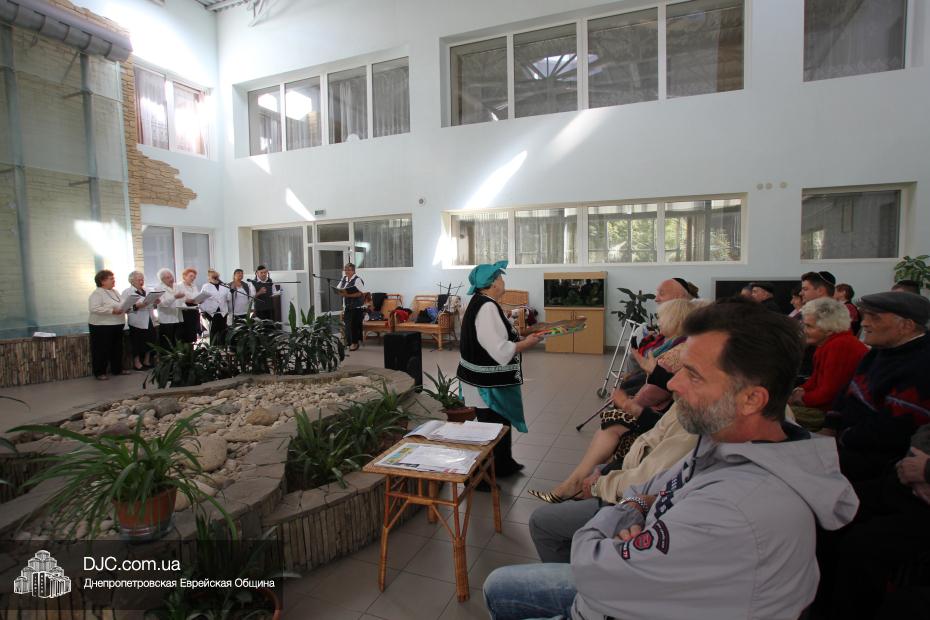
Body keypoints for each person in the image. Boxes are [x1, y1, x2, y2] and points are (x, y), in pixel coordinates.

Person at [483, 298, 858, 620]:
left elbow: (592, 562)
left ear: (751, 399)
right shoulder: (727, 441)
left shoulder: (736, 509)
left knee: (504, 585)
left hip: (620, 590)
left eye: (692, 375)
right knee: (500, 584)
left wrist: (625, 511)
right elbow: (654, 484)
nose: (673, 384)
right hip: (636, 576)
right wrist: (637, 506)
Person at [528, 299, 705, 503]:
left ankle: (579, 483)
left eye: (662, 317)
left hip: (655, 415)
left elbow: (653, 390)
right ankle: (584, 480)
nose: (658, 321)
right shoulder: (674, 344)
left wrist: (629, 403)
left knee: (613, 418)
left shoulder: (677, 351)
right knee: (613, 418)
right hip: (657, 413)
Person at [814, 425, 930, 619]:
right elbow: (924, 432)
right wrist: (915, 466)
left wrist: (926, 471)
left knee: (862, 545)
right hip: (908, 484)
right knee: (833, 508)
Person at [821, 291, 930, 482]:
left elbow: (892, 431)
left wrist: (842, 438)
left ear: (906, 325)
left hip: (876, 465)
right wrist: (830, 425)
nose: (864, 323)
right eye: (865, 316)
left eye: (874, 317)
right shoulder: (882, 350)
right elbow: (850, 387)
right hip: (847, 444)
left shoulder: (921, 365)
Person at [456, 260, 543, 483]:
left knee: (500, 421)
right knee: (491, 425)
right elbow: (498, 349)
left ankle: (503, 464)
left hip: (481, 377)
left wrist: (519, 330)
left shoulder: (483, 302)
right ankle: (481, 477)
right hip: (486, 382)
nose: (503, 282)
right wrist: (527, 343)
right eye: (500, 278)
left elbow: (498, 333)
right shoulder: (487, 307)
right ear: (493, 283)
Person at [788, 297, 868, 431]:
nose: (804, 330)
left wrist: (801, 398)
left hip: (831, 414)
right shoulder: (830, 343)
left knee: (771, 414)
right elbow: (816, 380)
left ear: (829, 329)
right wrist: (800, 390)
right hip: (825, 408)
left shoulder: (840, 346)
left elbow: (830, 393)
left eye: (809, 326)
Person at [88, 269, 129, 381]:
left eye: (113, 278)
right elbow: (94, 308)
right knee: (102, 349)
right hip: (102, 326)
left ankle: (117, 369)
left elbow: (122, 303)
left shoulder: (115, 291)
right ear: (102, 281)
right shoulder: (97, 293)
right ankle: (100, 372)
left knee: (117, 348)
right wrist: (112, 311)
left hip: (117, 324)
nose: (114, 280)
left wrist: (126, 308)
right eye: (111, 279)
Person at [122, 271, 159, 370]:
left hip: (149, 318)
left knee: (150, 340)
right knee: (137, 342)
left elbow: (152, 305)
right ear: (132, 281)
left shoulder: (147, 290)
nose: (141, 282)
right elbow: (125, 308)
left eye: (142, 279)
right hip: (136, 320)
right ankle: (137, 362)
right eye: (139, 280)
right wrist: (137, 306)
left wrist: (155, 302)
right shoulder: (127, 292)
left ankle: (147, 360)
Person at [336, 263, 366, 351]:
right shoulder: (344, 279)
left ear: (353, 271)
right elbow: (339, 289)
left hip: (356, 307)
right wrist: (339, 292)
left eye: (349, 270)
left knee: (354, 326)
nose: (347, 271)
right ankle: (349, 342)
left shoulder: (358, 280)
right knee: (348, 325)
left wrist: (347, 295)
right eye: (345, 270)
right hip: (347, 306)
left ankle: (355, 343)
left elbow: (360, 293)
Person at [155, 268, 185, 349]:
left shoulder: (176, 286)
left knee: (177, 343)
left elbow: (182, 299)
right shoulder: (159, 288)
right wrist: (174, 297)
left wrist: (185, 305)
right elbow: (162, 304)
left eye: (171, 276)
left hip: (177, 318)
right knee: (167, 344)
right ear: (162, 280)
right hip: (166, 320)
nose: (171, 279)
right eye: (168, 278)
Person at [200, 269, 229, 346]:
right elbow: (201, 299)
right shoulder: (206, 286)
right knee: (214, 331)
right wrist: (202, 311)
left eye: (216, 276)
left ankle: (223, 347)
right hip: (211, 312)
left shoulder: (224, 286)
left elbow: (228, 298)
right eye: (213, 276)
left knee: (223, 331)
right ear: (209, 277)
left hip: (223, 311)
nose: (215, 278)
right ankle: (213, 348)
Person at [176, 267, 201, 344]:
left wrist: (200, 299)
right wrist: (187, 300)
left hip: (194, 310)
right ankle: (185, 349)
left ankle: (191, 348)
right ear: (184, 276)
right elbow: (178, 298)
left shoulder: (194, 286)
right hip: (185, 310)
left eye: (194, 277)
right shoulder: (179, 286)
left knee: (192, 332)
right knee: (185, 332)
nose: (193, 278)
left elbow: (197, 296)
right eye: (191, 276)